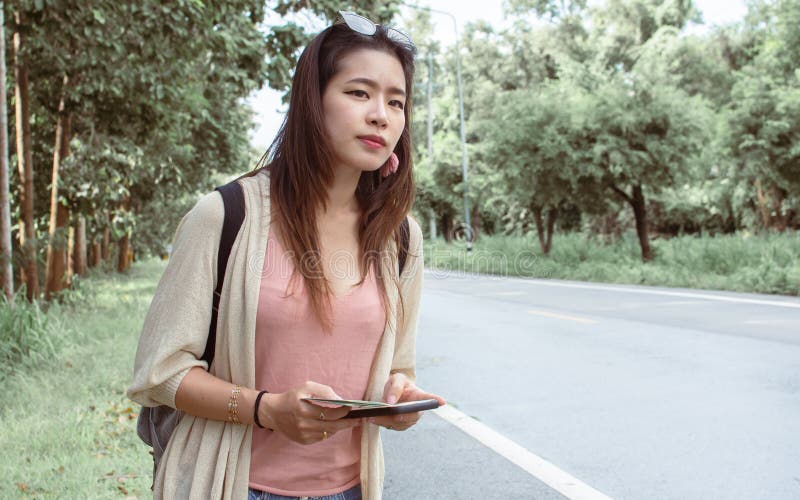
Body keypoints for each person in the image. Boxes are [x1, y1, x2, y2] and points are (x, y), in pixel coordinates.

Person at [128, 10, 446, 500]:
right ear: (312, 101)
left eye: (396, 101)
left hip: (353, 489)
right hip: (233, 486)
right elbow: (161, 371)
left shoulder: (400, 237)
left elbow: (399, 366)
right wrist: (266, 410)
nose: (382, 114)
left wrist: (398, 396)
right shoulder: (225, 216)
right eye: (359, 93)